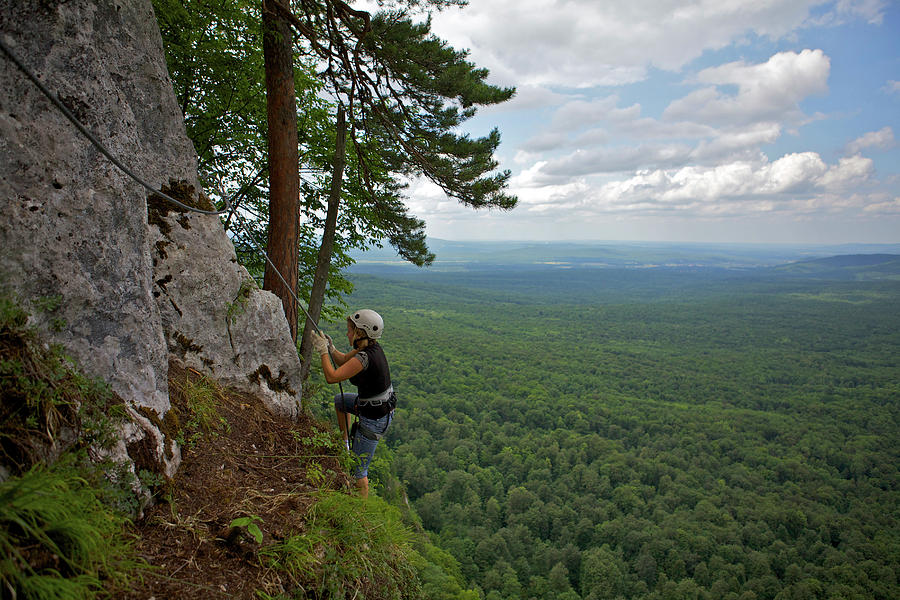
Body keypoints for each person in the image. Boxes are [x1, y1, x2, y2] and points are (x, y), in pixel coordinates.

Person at [311, 309, 395, 498]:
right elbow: (341, 361)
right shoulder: (366, 349)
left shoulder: (364, 358)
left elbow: (332, 377)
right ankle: (345, 444)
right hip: (374, 408)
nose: (347, 334)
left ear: (359, 333)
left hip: (374, 418)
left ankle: (360, 512)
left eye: (350, 330)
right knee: (340, 401)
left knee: (359, 472)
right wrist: (331, 349)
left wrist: (323, 351)